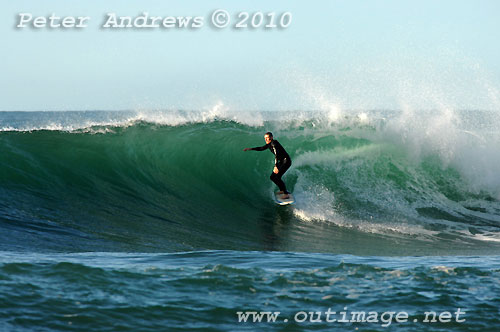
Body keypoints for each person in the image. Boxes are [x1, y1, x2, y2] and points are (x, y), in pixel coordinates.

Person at [244, 132, 292, 199]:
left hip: (286, 161)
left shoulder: (274, 143)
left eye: (267, 138)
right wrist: (250, 149)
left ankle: (286, 194)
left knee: (277, 177)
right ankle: (282, 190)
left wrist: (276, 166)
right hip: (281, 161)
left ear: (271, 137)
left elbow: (276, 154)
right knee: (272, 177)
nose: (266, 139)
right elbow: (261, 148)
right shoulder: (269, 144)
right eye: (265, 138)